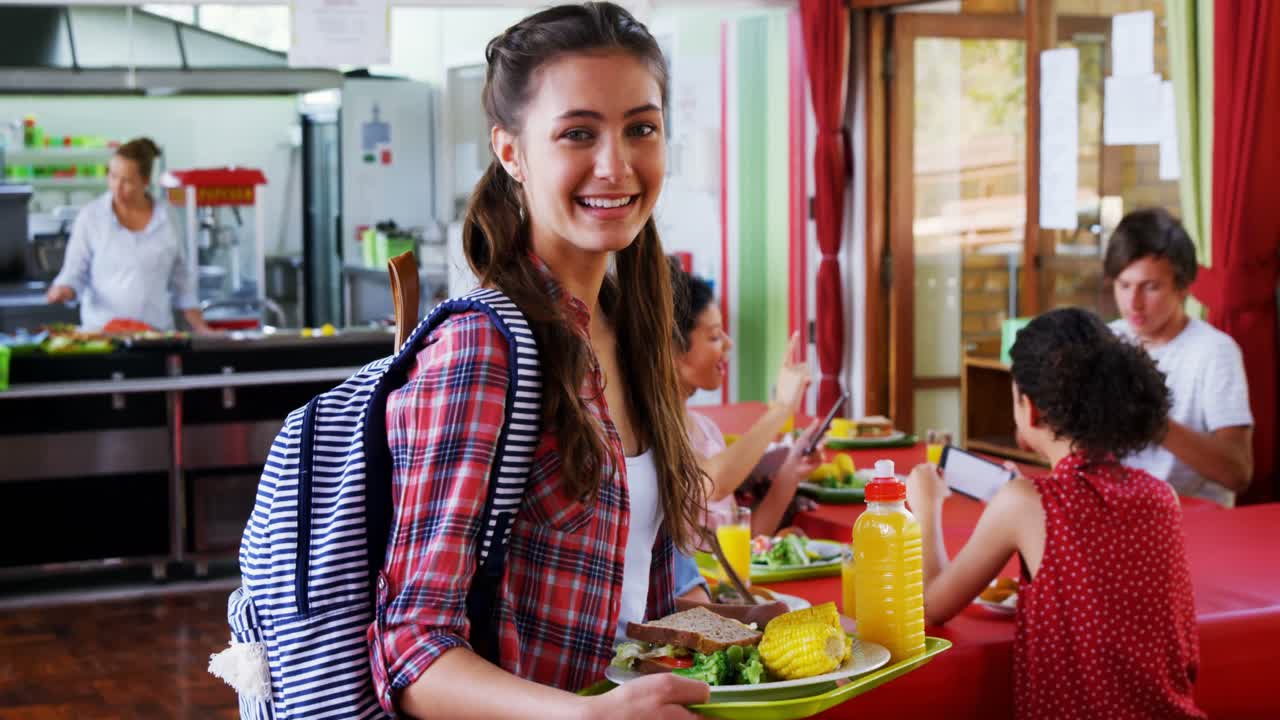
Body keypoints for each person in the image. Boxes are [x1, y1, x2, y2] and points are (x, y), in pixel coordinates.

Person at [368, 5, 712, 718]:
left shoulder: (630, 326)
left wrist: (731, 632)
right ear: (512, 152)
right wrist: (584, 716)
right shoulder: (482, 349)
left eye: (640, 129)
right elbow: (412, 654)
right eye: (577, 133)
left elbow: (627, 600)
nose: (615, 164)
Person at [905, 307, 1204, 719]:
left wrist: (926, 507)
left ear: (1030, 410)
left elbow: (933, 606)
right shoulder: (1161, 496)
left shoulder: (1026, 503)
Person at [1104, 207, 1253, 507]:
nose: (1134, 303)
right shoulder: (1105, 340)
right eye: (1124, 285)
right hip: (1116, 514)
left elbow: (1238, 472)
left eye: (1151, 287)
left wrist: (1153, 423)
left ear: (1183, 287)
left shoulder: (1214, 351)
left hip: (1192, 520)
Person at [669, 261, 822, 538]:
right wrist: (781, 408)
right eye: (714, 336)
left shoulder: (706, 430)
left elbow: (744, 540)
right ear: (672, 349)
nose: (728, 344)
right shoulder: (647, 434)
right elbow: (713, 481)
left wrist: (790, 473)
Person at [45, 137, 210, 333]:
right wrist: (64, 290)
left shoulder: (167, 217)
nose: (117, 186)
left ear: (145, 181)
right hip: (102, 336)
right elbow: (74, 273)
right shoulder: (91, 217)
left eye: (127, 181)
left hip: (155, 336)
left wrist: (202, 328)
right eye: (113, 177)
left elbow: (182, 282)